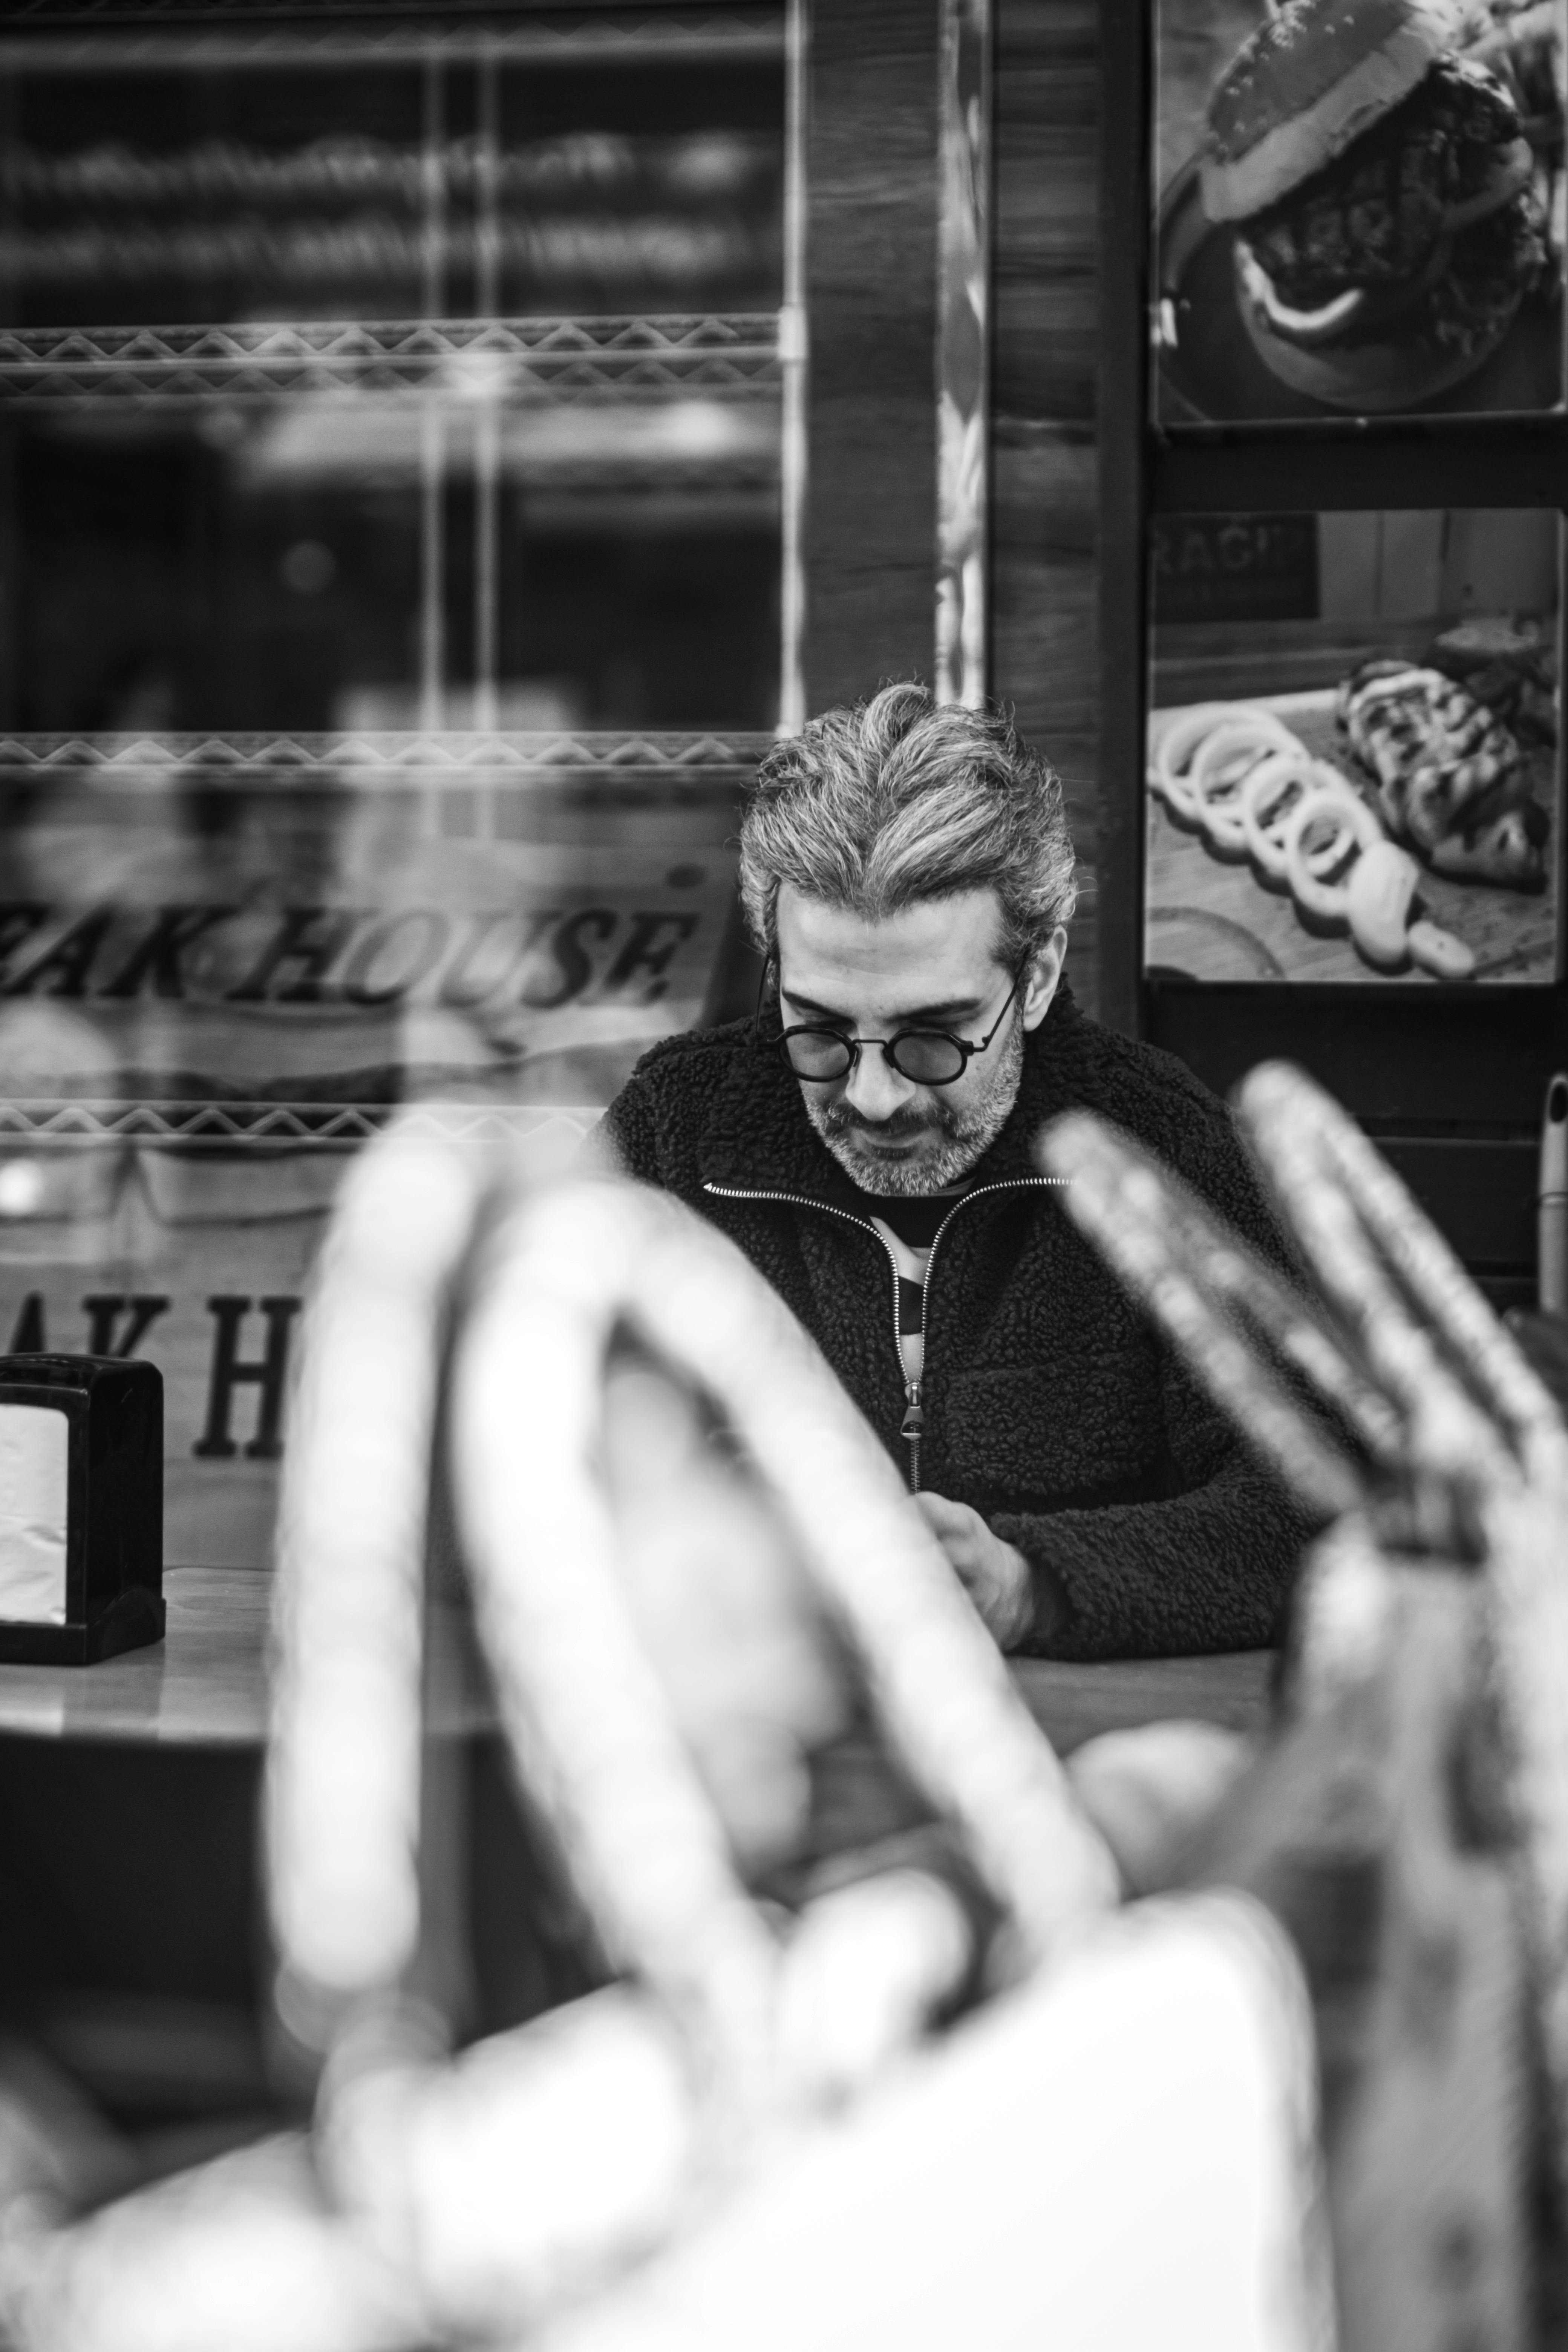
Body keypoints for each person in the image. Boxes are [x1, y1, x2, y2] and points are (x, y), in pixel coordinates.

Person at [596, 683, 1311, 1660]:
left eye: (934, 1039)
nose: (877, 1096)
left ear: (1042, 973)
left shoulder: (1164, 1151)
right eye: (819, 1032)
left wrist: (1032, 1584)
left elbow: (1311, 1507)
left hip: (1086, 1748)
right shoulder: (675, 1130)